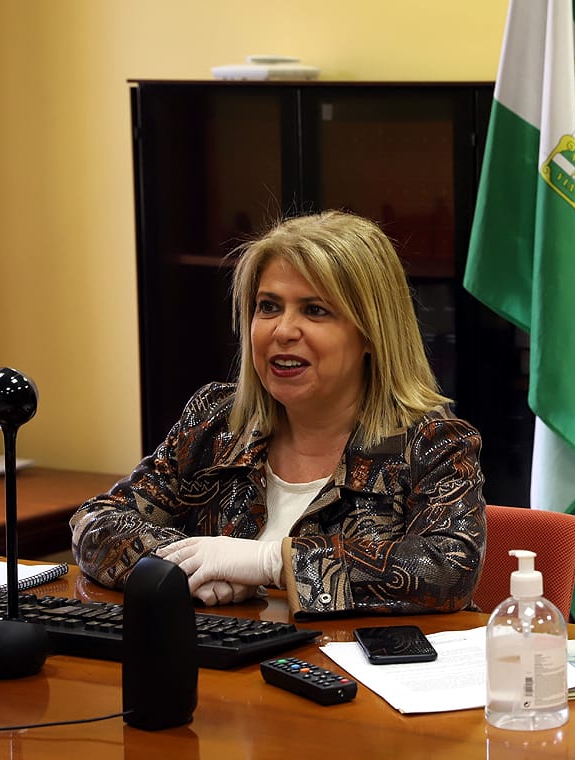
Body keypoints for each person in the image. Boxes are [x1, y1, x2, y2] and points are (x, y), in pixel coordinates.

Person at [70, 211, 486, 617]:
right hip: (226, 657)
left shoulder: (432, 443)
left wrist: (270, 562)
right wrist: (185, 566)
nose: (283, 330)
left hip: (351, 663)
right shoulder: (216, 421)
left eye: (315, 310)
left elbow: (448, 568)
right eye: (268, 306)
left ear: (371, 334)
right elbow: (96, 522)